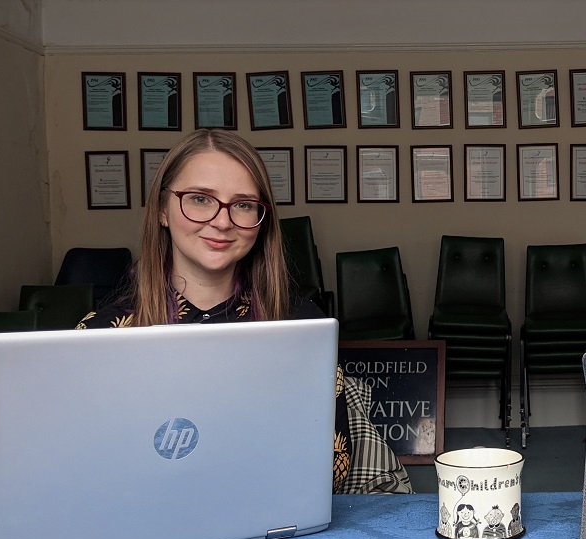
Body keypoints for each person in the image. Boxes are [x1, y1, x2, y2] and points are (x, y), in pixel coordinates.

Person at [77, 128, 412, 494]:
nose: (222, 221)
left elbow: (332, 470)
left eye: (243, 204)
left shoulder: (301, 327)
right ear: (162, 209)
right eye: (200, 199)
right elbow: (78, 470)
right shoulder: (101, 336)